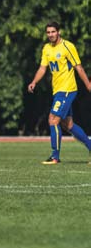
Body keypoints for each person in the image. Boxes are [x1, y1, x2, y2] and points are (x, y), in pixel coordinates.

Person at [28, 21, 91, 164]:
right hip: (57, 91)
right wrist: (34, 82)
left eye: (53, 32)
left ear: (59, 32)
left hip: (67, 89)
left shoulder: (68, 47)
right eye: (48, 32)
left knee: (53, 119)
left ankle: (55, 156)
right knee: (68, 125)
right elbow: (42, 68)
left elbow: (79, 67)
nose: (50, 34)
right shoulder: (46, 49)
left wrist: (88, 85)